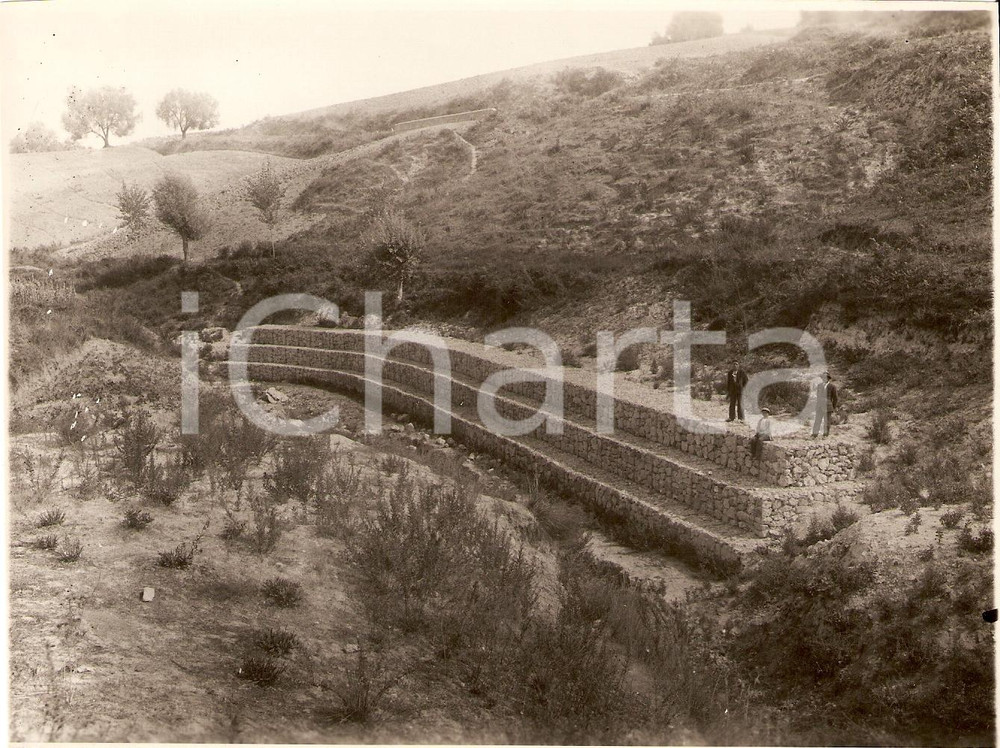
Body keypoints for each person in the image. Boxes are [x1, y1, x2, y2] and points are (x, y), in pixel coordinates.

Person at [811, 372, 839, 437]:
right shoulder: (819, 386)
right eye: (823, 377)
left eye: (825, 377)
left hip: (828, 406)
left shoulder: (832, 386)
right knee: (817, 420)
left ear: (828, 378)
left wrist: (833, 407)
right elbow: (818, 396)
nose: (824, 379)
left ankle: (825, 435)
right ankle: (815, 434)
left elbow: (835, 398)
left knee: (827, 421)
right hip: (819, 406)